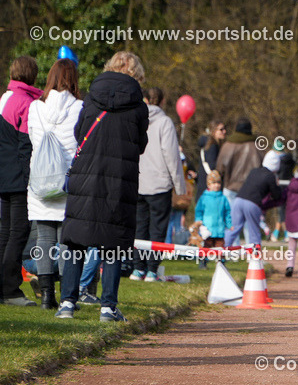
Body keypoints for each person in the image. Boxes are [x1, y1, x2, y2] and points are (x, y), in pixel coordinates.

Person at [57, 51, 150, 321]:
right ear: (136, 74)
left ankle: (67, 303)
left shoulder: (91, 96)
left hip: (86, 173)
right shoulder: (138, 105)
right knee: (114, 242)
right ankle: (108, 306)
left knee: (75, 239)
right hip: (120, 178)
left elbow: (79, 132)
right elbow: (141, 144)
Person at [27, 59, 82, 308]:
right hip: (67, 180)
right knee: (66, 241)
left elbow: (32, 138)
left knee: (44, 238)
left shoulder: (35, 108)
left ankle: (47, 295)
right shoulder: (80, 107)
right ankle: (67, 295)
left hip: (40, 179)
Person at [132, 87, 186, 281]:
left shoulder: (136, 119)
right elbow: (172, 156)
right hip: (159, 184)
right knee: (157, 229)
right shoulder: (164, 122)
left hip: (138, 181)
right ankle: (152, 269)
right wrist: (180, 186)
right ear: (162, 101)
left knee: (140, 227)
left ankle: (138, 268)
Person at [0, 56, 43, 306]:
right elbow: (25, 145)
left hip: (3, 175)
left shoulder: (5, 97)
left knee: (5, 232)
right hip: (18, 178)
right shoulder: (27, 103)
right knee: (19, 232)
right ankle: (11, 289)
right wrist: (31, 181)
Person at [225, 151, 284, 246]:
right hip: (252, 204)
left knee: (234, 229)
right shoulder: (270, 176)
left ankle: (221, 255)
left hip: (238, 200)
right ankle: (255, 258)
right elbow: (276, 195)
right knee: (254, 232)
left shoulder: (254, 171)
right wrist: (278, 187)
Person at [215, 117, 263, 204]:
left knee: (231, 217)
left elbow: (219, 169)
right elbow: (263, 169)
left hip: (231, 189)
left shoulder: (227, 146)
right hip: (251, 191)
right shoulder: (257, 147)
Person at [190, 169, 232, 262]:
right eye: (213, 183)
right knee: (206, 247)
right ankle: (203, 262)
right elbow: (199, 211)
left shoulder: (223, 198)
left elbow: (227, 212)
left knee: (220, 248)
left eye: (218, 183)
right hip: (207, 229)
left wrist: (229, 224)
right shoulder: (204, 198)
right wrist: (198, 222)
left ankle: (221, 264)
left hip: (219, 229)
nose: (216, 185)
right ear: (209, 185)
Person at [196, 120, 227, 197]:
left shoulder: (207, 144)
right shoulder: (212, 146)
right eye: (221, 129)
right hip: (210, 187)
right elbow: (212, 166)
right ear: (213, 131)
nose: (224, 131)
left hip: (204, 185)